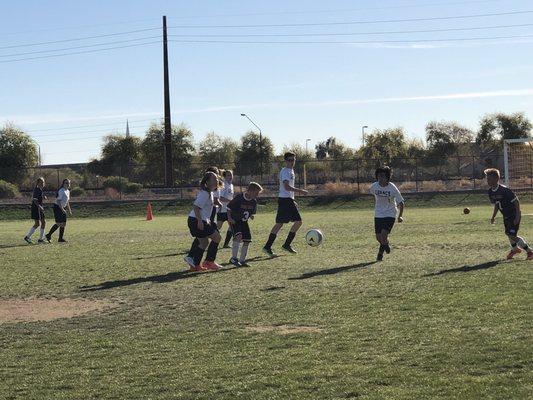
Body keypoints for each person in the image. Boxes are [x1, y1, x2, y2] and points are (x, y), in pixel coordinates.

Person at [263, 152, 308, 256]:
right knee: (280, 224)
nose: (292, 162)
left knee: (298, 222)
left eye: (293, 160)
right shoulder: (285, 171)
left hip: (288, 200)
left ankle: (286, 245)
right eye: (290, 160)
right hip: (284, 201)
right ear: (285, 161)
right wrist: (300, 191)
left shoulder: (291, 170)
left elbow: (288, 190)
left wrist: (292, 199)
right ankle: (267, 247)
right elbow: (286, 187)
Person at [485, 168, 533, 260]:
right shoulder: (490, 192)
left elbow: (516, 201)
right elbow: (497, 204)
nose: (487, 181)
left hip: (514, 214)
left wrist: (518, 215)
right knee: (508, 233)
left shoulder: (505, 190)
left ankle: (530, 251)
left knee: (512, 235)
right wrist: (493, 216)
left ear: (496, 179)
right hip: (506, 216)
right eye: (487, 179)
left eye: (489, 179)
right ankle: (515, 249)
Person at [185, 171, 222, 272]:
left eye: (217, 179)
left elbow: (203, 209)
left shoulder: (209, 192)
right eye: (214, 179)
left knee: (204, 242)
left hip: (195, 220)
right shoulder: (205, 193)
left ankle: (195, 266)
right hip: (196, 220)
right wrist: (200, 221)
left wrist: (206, 219)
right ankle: (209, 262)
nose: (217, 181)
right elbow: (196, 207)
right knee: (217, 237)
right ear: (207, 182)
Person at [369, 166, 404, 261]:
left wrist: (400, 216)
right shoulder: (374, 186)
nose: (380, 178)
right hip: (378, 214)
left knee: (384, 235)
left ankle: (380, 254)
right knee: (379, 238)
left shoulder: (392, 187)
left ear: (387, 177)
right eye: (379, 176)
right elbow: (372, 192)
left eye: (383, 176)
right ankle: (386, 245)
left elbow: (401, 202)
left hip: (390, 213)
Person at [227, 182, 263, 267]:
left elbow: (250, 212)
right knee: (238, 237)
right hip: (235, 221)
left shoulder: (254, 201)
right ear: (250, 190)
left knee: (247, 240)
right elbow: (229, 208)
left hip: (244, 222)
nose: (257, 195)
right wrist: (229, 218)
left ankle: (242, 260)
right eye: (256, 192)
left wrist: (250, 216)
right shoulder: (239, 197)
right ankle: (233, 258)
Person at [45, 179, 72, 243]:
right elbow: (58, 201)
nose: (67, 184)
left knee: (63, 224)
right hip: (57, 207)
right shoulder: (61, 190)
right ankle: (48, 235)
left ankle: (60, 239)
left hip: (63, 208)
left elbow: (67, 201)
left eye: (68, 183)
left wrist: (69, 210)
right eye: (66, 183)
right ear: (63, 183)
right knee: (59, 223)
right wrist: (62, 209)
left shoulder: (68, 191)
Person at [24, 177, 47, 244]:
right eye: (41, 182)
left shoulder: (39, 190)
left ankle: (29, 237)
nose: (42, 183)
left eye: (43, 182)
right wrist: (39, 206)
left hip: (38, 208)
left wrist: (43, 197)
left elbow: (38, 198)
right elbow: (34, 200)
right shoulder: (37, 190)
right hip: (36, 208)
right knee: (42, 222)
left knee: (40, 223)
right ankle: (40, 239)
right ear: (37, 183)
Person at [217, 170, 234, 248]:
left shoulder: (231, 185)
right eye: (228, 175)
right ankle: (201, 241)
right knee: (217, 227)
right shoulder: (223, 185)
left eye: (231, 175)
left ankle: (226, 244)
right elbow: (221, 198)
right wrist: (231, 201)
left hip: (229, 210)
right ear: (224, 177)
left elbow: (230, 196)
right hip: (222, 210)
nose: (230, 177)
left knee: (232, 226)